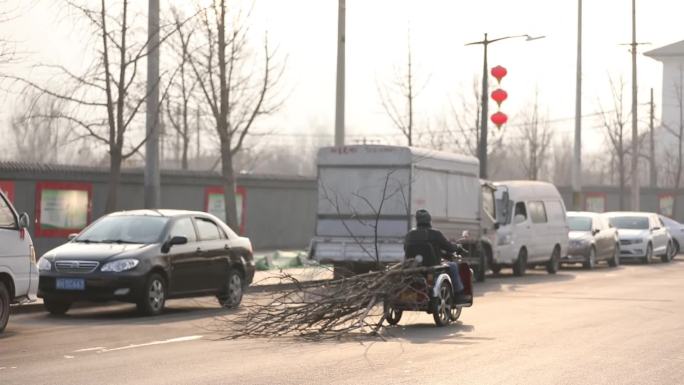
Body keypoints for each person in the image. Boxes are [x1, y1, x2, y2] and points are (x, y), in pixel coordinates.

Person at [404, 209, 467, 298]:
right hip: (433, 266)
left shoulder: (410, 234)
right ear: (429, 220)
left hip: (412, 266)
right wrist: (457, 247)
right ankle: (459, 294)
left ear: (417, 220)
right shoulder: (435, 233)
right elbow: (449, 247)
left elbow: (405, 249)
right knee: (453, 266)